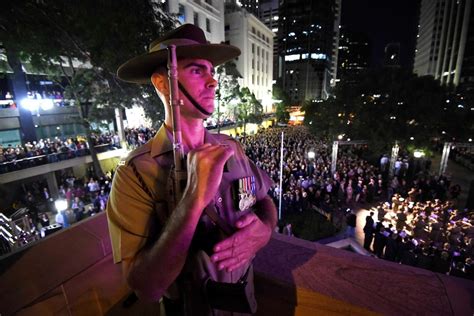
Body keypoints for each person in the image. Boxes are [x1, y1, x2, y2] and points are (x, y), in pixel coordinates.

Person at [106, 24, 277, 316]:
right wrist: (194, 200)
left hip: (246, 304)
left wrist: (266, 230)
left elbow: (265, 201)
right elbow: (145, 287)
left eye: (212, 72)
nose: (213, 82)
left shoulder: (231, 148)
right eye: (197, 71)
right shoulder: (135, 173)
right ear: (162, 83)